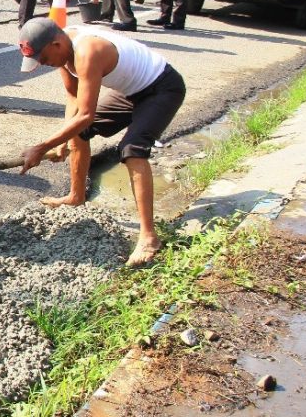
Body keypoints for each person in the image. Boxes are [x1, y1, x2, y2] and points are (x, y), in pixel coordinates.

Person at [17, 18, 186, 266]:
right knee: (76, 132)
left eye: (42, 58)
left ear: (55, 43)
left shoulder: (87, 51)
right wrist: (62, 141)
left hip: (162, 88)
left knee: (132, 149)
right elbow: (73, 97)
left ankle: (149, 236)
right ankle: (76, 196)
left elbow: (86, 115)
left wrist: (43, 147)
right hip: (130, 92)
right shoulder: (62, 52)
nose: (43, 64)